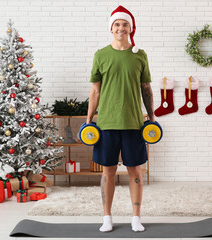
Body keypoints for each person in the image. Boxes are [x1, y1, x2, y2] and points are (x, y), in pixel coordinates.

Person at [86, 5, 155, 233]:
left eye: (125, 24)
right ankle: (107, 217)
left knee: (135, 171)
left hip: (134, 123)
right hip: (106, 123)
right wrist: (88, 121)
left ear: (130, 28)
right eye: (117, 24)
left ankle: (136, 217)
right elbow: (95, 91)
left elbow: (146, 89)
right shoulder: (101, 55)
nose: (121, 28)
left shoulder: (140, 55)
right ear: (111, 28)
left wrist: (152, 118)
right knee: (108, 172)